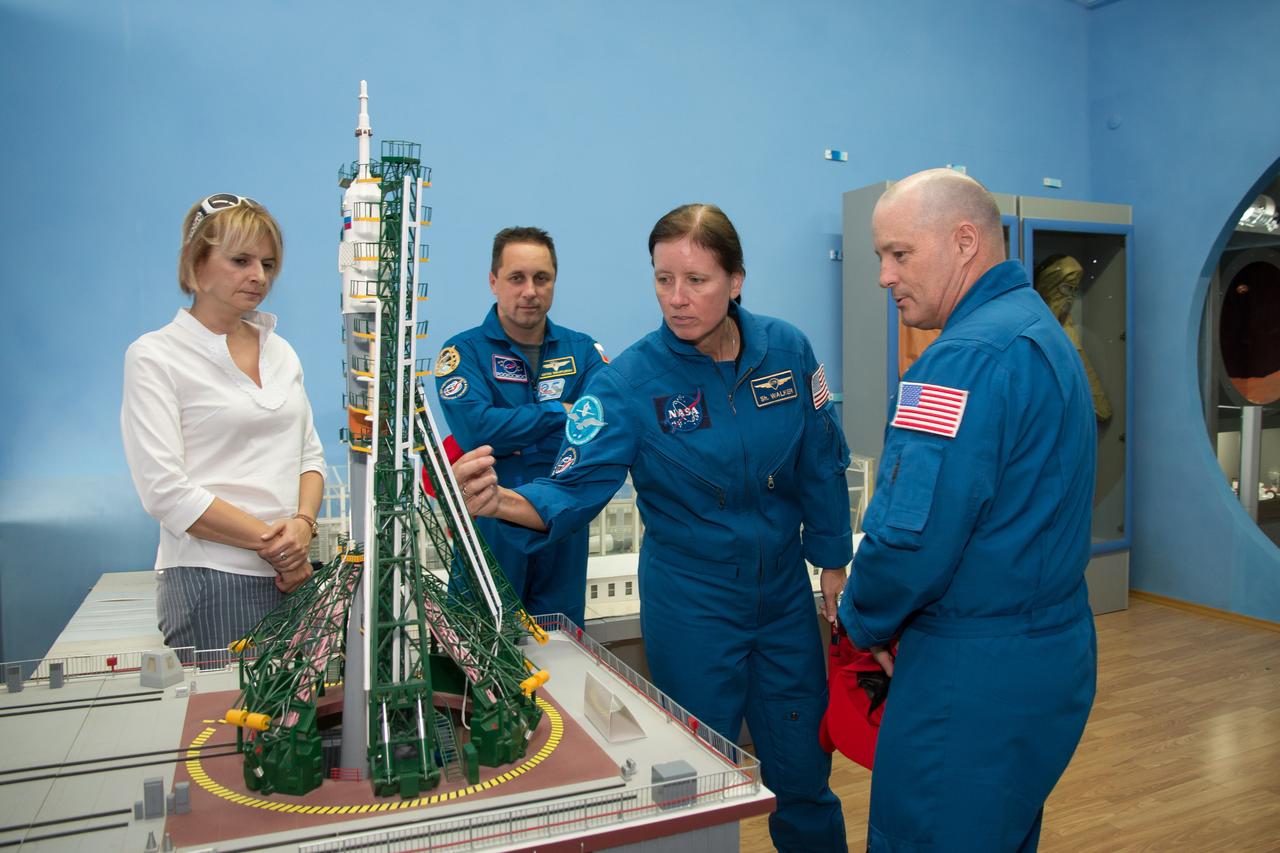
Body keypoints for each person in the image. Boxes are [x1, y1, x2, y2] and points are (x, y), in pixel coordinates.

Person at [454, 204, 852, 853]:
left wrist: (832, 560)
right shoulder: (630, 383)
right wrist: (500, 501)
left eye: (695, 280)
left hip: (782, 598)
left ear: (736, 280)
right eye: (663, 279)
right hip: (694, 606)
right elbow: (571, 485)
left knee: (804, 771)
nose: (677, 298)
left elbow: (823, 455)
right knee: (691, 783)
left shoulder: (788, 351)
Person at [838, 169, 1097, 852]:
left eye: (899, 254)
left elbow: (907, 538)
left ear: (963, 241)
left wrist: (859, 620)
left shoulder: (962, 360)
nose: (884, 277)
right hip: (1050, 652)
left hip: (972, 673)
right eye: (879, 257)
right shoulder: (1040, 333)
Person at [122, 193, 325, 656]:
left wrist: (303, 524)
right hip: (211, 580)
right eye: (240, 260)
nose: (259, 276)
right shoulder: (155, 356)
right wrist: (280, 546)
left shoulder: (281, 351)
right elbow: (165, 491)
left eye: (268, 264)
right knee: (229, 726)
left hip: (293, 579)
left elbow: (309, 455)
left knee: (296, 724)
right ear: (196, 266)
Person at [433, 227, 606, 626]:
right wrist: (560, 413)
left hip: (561, 527)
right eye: (517, 278)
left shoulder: (582, 351)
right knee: (479, 658)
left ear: (554, 282)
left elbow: (598, 427)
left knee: (562, 658)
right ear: (494, 282)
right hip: (490, 527)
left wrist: (511, 431)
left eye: (541, 278)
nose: (530, 290)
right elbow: (477, 431)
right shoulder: (463, 352)